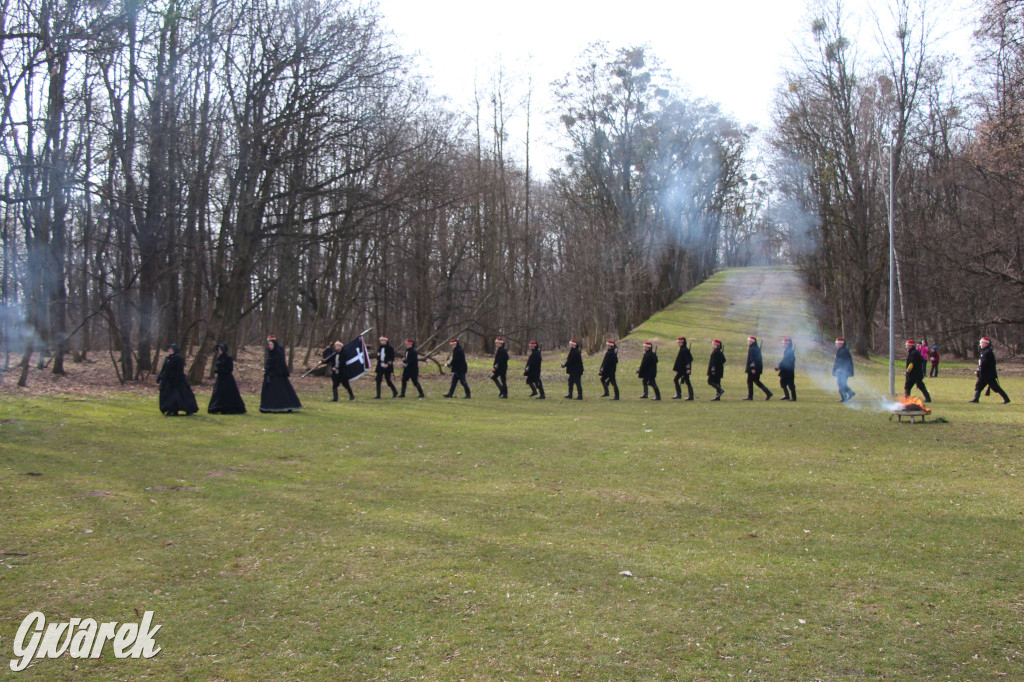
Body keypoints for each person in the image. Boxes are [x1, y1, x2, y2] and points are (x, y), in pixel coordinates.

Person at [260, 335, 303, 412]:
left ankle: (286, 405)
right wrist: (266, 367)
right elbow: (267, 361)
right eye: (269, 344)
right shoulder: (269, 351)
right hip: (270, 374)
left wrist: (272, 368)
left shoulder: (278, 351)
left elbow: (280, 363)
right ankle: (268, 407)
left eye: (271, 344)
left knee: (281, 390)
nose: (270, 346)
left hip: (277, 374)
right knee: (269, 391)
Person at [156, 344, 199, 416]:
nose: (169, 350)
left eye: (171, 349)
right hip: (167, 380)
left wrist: (176, 380)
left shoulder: (178, 358)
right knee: (168, 395)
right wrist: (160, 376)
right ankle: (171, 409)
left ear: (175, 350)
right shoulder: (167, 358)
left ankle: (188, 409)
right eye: (169, 349)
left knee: (179, 395)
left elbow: (179, 370)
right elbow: (164, 368)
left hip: (177, 380)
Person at [207, 343, 246, 414]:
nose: (219, 351)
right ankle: (216, 407)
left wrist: (221, 370)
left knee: (228, 393)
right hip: (220, 379)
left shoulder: (228, 358)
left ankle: (228, 408)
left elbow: (230, 369)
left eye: (220, 349)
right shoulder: (219, 358)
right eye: (218, 349)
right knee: (218, 393)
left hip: (227, 379)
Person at [970, 337, 1010, 404]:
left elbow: (984, 364)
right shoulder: (984, 352)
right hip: (983, 374)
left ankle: (1006, 399)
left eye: (982, 343)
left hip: (988, 375)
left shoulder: (988, 352)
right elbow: (981, 363)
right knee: (979, 386)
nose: (980, 344)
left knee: (996, 388)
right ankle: (976, 399)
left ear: (986, 344)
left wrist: (978, 371)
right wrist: (978, 370)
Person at [743, 336, 773, 401]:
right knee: (756, 381)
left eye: (749, 341)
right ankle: (768, 393)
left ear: (752, 342)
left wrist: (753, 368)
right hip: (757, 368)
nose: (748, 342)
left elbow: (752, 360)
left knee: (751, 382)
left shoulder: (752, 349)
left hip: (753, 369)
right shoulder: (755, 348)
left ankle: (750, 396)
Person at [904, 338, 932, 402]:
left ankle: (906, 399)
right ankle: (928, 398)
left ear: (911, 345)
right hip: (917, 374)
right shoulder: (914, 352)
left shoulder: (913, 353)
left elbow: (911, 364)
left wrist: (907, 371)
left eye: (907, 345)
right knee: (920, 385)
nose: (906, 346)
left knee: (908, 386)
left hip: (914, 374)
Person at [374, 335, 398, 399]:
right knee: (378, 380)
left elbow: (392, 358)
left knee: (388, 380)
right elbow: (378, 358)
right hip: (380, 366)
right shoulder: (380, 348)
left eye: (383, 340)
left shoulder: (390, 348)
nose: (382, 341)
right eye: (381, 340)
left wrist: (387, 364)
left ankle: (395, 392)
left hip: (387, 367)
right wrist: (378, 356)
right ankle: (378, 395)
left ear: (386, 341)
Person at [832, 338, 855, 402]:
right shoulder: (843, 350)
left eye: (837, 344)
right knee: (842, 383)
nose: (836, 345)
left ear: (841, 344)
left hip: (843, 371)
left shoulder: (842, 351)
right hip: (844, 370)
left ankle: (845, 397)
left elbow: (841, 362)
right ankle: (849, 393)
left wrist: (838, 369)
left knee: (840, 384)